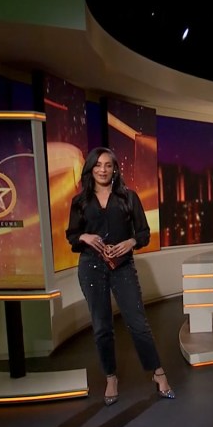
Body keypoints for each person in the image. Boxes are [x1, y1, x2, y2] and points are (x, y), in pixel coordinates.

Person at [66, 147, 175, 405]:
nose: (103, 170)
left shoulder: (129, 197)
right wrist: (84, 236)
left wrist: (130, 242)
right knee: (102, 326)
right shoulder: (80, 201)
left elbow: (144, 233)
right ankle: (111, 378)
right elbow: (72, 236)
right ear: (90, 169)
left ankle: (158, 374)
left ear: (115, 169)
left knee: (138, 324)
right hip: (91, 267)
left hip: (123, 267)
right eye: (97, 165)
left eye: (108, 165)